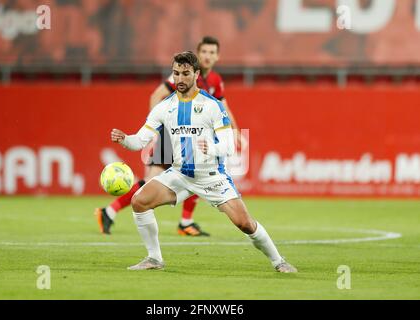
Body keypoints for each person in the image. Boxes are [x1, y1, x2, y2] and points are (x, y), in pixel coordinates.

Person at [110, 51, 297, 273]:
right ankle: (154, 258)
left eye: (185, 73)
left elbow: (228, 145)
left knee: (244, 223)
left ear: (196, 74)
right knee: (139, 201)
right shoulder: (164, 107)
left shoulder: (213, 106)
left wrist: (213, 148)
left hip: (211, 176)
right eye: (176, 73)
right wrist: (125, 139)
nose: (180, 79)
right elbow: (140, 140)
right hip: (180, 174)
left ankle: (278, 261)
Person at [95, 36, 240, 236]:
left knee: (198, 170)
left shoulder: (215, 80)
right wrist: (160, 129)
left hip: (192, 136)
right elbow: (155, 96)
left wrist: (235, 128)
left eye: (212, 53)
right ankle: (110, 211)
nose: (208, 56)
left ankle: (185, 222)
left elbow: (223, 105)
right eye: (204, 52)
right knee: (152, 182)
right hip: (171, 136)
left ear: (218, 56)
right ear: (198, 54)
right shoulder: (180, 76)